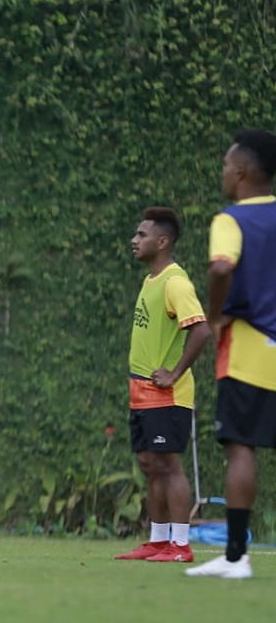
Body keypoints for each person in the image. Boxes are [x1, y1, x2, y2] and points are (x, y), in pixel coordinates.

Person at [186, 129, 276, 579]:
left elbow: (222, 266)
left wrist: (216, 314)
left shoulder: (231, 219)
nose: (223, 172)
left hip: (247, 348)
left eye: (225, 165)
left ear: (240, 171)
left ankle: (236, 557)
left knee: (241, 448)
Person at [113, 207, 208, 563]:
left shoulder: (175, 283)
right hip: (141, 394)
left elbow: (200, 329)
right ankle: (156, 541)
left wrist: (174, 373)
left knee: (169, 465)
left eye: (142, 235)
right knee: (149, 463)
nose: (134, 241)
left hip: (166, 395)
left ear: (162, 241)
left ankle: (181, 547)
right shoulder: (152, 280)